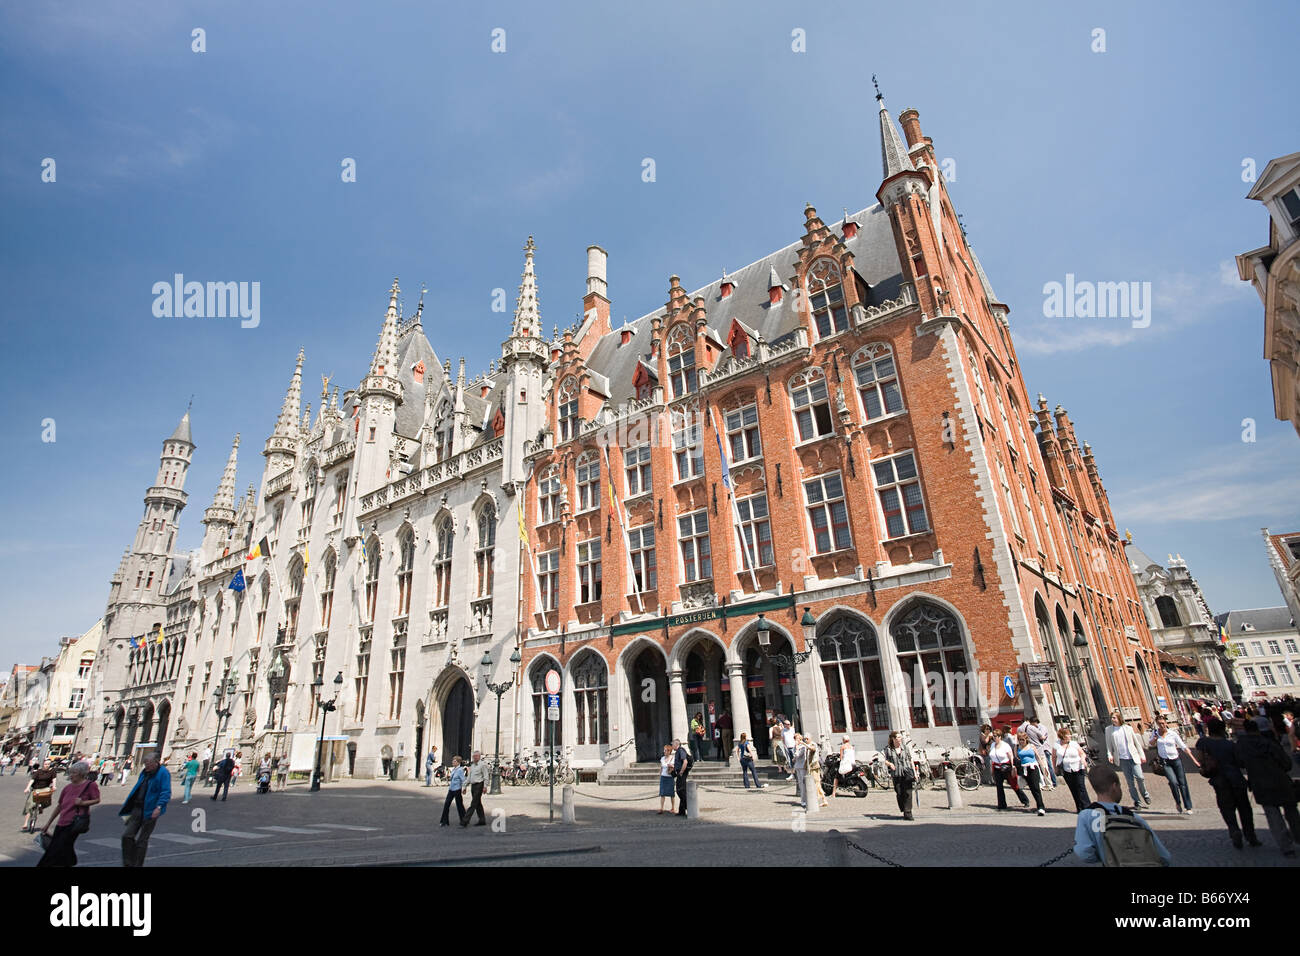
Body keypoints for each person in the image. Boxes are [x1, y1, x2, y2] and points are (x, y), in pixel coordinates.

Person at [1073, 765, 1171, 866]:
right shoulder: (1133, 817)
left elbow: (1084, 853)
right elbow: (1164, 855)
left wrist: (1106, 856)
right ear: (1114, 786)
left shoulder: (1086, 816)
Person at [1234, 719, 1300, 857]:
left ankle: (1286, 846)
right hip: (1281, 781)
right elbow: (1286, 764)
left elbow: (1240, 763)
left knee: (1273, 816)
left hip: (1260, 784)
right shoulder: (1270, 742)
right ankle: (1298, 836)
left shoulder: (1242, 745)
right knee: (1292, 812)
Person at [1196, 717, 1259, 850]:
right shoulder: (1231, 744)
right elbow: (1241, 762)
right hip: (1236, 779)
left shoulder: (1203, 742)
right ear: (1222, 730)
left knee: (1226, 808)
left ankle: (1234, 830)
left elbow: (1201, 759)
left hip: (1219, 780)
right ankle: (1250, 835)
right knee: (1245, 809)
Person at [37, 759, 100, 867]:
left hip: (75, 822)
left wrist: (83, 803)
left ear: (81, 774)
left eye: (74, 773)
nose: (71, 775)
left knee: (55, 849)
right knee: (63, 847)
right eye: (70, 772)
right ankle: (70, 861)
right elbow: (60, 806)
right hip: (62, 822)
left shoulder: (90, 785)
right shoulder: (67, 787)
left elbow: (97, 799)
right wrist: (48, 823)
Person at [119, 752, 170, 867]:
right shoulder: (145, 772)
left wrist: (159, 807)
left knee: (142, 840)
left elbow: (166, 792)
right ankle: (128, 862)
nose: (146, 766)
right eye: (145, 763)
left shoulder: (163, 773)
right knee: (127, 836)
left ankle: (137, 864)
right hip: (137, 808)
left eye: (148, 764)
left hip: (151, 810)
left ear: (156, 762)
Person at [1148, 715, 1198, 814]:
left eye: (1163, 723)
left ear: (1166, 723)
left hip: (1176, 760)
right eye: (1159, 724)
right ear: (1157, 724)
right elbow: (1150, 744)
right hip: (1165, 762)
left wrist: (1194, 760)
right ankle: (1178, 802)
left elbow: (1183, 747)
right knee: (1173, 782)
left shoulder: (1172, 734)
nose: (1162, 725)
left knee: (1182, 783)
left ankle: (1188, 807)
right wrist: (1155, 738)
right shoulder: (1155, 733)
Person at [1104, 710, 1151, 808]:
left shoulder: (1128, 728)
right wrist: (1110, 755)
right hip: (1122, 759)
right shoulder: (1109, 730)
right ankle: (1137, 801)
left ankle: (1145, 794)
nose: (1112, 720)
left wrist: (1142, 755)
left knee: (1140, 777)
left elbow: (1136, 743)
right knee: (1130, 781)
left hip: (1133, 757)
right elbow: (1108, 745)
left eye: (1114, 718)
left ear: (1119, 718)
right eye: (1112, 718)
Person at [989, 728, 1028, 810]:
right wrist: (992, 769)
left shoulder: (1005, 745)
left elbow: (1011, 756)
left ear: (1000, 737)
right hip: (997, 767)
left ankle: (1025, 800)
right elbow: (992, 757)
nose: (994, 738)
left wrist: (1013, 766)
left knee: (1014, 785)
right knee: (999, 786)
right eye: (993, 736)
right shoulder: (992, 745)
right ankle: (1002, 805)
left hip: (1006, 767)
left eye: (995, 736)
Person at [1054, 727, 1090, 812]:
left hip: (1077, 767)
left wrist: (1083, 760)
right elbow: (1054, 757)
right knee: (1073, 788)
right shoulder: (1057, 745)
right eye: (1068, 734)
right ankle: (1079, 807)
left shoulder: (1074, 744)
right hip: (1066, 770)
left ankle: (1087, 806)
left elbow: (1082, 753)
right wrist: (1055, 768)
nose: (1070, 735)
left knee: (1081, 787)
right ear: (1062, 736)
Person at [883, 731, 916, 820]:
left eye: (900, 737)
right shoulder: (888, 749)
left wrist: (915, 773)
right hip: (896, 774)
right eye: (898, 737)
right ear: (893, 739)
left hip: (906, 772)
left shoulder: (905, 748)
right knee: (899, 792)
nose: (900, 739)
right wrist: (890, 764)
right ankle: (904, 808)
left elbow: (910, 759)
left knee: (908, 792)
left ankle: (908, 812)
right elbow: (885, 760)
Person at [1016, 731, 1048, 815]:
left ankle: (1041, 807)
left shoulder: (1031, 746)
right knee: (1032, 788)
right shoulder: (1017, 747)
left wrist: (1044, 768)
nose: (1021, 741)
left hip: (1033, 767)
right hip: (1024, 768)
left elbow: (1038, 757)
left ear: (1026, 739)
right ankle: (1038, 805)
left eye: (1022, 740)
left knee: (1036, 787)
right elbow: (1016, 758)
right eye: (1019, 740)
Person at [22, 759, 58, 833]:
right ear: (43, 764)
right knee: (30, 805)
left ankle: (40, 807)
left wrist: (54, 786)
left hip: (45, 789)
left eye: (48, 764)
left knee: (47, 799)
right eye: (45, 764)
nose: (47, 765)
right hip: (36, 789)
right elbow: (32, 780)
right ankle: (25, 823)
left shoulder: (52, 771)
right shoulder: (38, 771)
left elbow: (54, 779)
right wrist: (27, 788)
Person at [461, 751, 488, 827]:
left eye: (476, 756)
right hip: (473, 785)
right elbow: (469, 777)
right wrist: (465, 786)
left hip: (479, 785)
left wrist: (485, 786)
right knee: (478, 803)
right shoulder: (472, 765)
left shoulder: (483, 765)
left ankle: (465, 821)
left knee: (473, 803)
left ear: (479, 757)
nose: (474, 758)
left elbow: (486, 776)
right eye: (474, 756)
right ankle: (482, 820)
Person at [439, 756, 466, 827]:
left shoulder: (460, 770)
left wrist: (464, 788)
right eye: (453, 761)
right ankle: (444, 821)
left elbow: (463, 780)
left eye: (454, 761)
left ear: (458, 762)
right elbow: (452, 777)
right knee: (446, 804)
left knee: (459, 805)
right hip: (451, 789)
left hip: (457, 789)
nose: (452, 762)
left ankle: (464, 820)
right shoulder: (454, 769)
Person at [805, 736, 828, 809]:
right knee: (816, 784)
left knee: (816, 783)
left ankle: (820, 799)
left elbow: (812, 749)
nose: (806, 740)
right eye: (805, 739)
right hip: (811, 767)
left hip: (814, 766)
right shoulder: (808, 745)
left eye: (807, 739)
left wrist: (803, 743)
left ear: (810, 739)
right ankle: (823, 800)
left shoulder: (812, 744)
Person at [672, 738, 693, 817]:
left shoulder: (681, 750)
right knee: (681, 790)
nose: (672, 746)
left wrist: (681, 772)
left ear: (676, 745)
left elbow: (685, 762)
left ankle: (689, 807)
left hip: (682, 773)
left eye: (673, 744)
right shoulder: (678, 751)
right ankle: (682, 811)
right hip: (679, 772)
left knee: (680, 791)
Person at [658, 744, 677, 813]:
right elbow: (661, 767)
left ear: (669, 751)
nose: (664, 752)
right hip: (663, 777)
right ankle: (661, 808)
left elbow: (674, 767)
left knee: (671, 793)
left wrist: (671, 766)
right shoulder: (662, 758)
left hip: (670, 777)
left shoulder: (672, 758)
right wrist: (660, 775)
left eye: (666, 750)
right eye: (664, 750)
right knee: (662, 793)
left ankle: (673, 808)